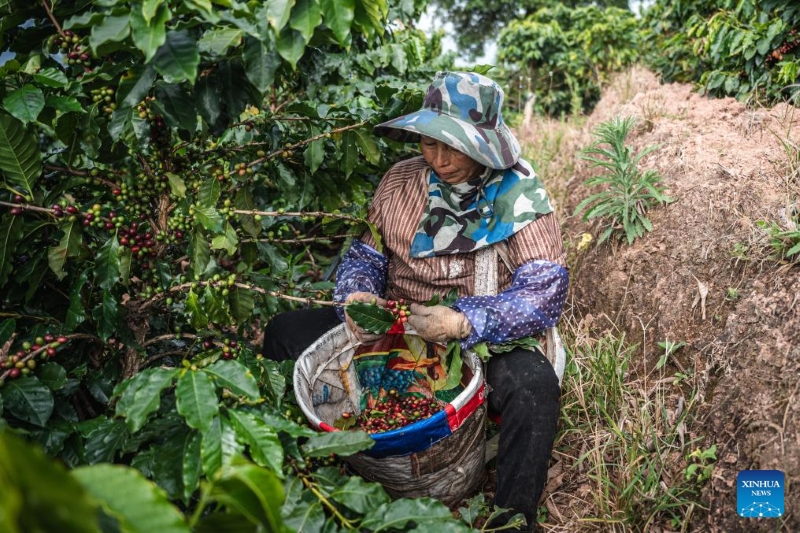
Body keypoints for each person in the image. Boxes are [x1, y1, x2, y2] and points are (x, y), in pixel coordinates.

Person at [263, 71, 568, 530]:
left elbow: (544, 293)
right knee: (283, 332)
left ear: (485, 146)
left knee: (535, 387)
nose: (440, 160)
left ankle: (513, 516)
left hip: (478, 335)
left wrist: (462, 321)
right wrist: (357, 298)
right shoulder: (399, 183)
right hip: (399, 324)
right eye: (430, 144)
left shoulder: (519, 193)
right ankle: (299, 468)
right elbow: (365, 256)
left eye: (454, 147)